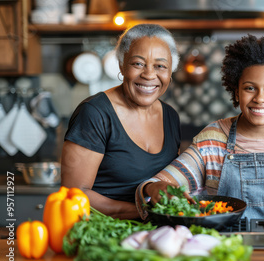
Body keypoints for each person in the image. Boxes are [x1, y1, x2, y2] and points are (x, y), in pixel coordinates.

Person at [136, 35, 264, 220]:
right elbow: (157, 184)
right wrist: (153, 187)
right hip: (225, 244)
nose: (260, 98)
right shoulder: (212, 140)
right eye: (249, 88)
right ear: (236, 92)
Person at [61, 24, 181, 219]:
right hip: (102, 235)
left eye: (160, 66)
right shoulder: (95, 113)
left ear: (170, 71)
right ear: (121, 65)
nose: (149, 75)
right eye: (138, 64)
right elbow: (73, 194)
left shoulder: (170, 116)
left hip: (158, 235)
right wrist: (143, 212)